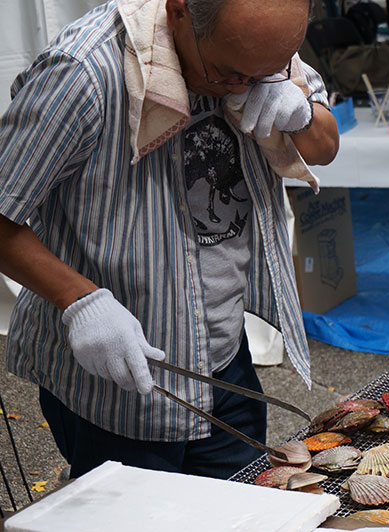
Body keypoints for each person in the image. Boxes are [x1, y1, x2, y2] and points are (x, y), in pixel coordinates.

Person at [0, 0, 339, 479]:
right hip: (119, 378)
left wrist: (301, 116)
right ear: (179, 11)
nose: (245, 88)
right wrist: (79, 299)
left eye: (264, 74)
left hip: (222, 355)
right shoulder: (84, 74)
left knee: (241, 511)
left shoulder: (264, 55)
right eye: (229, 74)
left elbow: (324, 148)